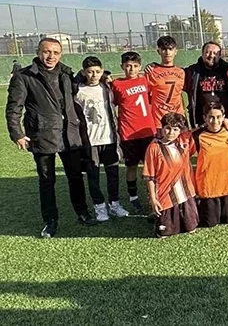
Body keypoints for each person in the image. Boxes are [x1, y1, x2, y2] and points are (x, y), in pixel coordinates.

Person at [6, 38, 97, 238]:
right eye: (47, 52)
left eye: (56, 53)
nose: (51, 56)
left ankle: (82, 211)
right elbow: (14, 109)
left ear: (61, 54)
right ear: (39, 52)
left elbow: (80, 89)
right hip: (42, 134)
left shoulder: (66, 73)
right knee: (47, 180)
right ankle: (50, 220)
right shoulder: (24, 76)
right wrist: (17, 134)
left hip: (69, 134)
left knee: (75, 176)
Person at [74, 56, 129, 221]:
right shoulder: (77, 90)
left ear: (102, 71)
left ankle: (114, 204)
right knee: (93, 177)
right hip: (90, 142)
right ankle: (99, 207)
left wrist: (106, 77)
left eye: (98, 71)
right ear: (84, 72)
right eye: (90, 72)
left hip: (110, 140)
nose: (94, 75)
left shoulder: (107, 88)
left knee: (113, 174)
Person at [111, 52, 155, 213]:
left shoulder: (145, 80)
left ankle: (153, 197)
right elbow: (112, 104)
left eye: (135, 66)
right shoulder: (116, 84)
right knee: (131, 166)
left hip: (148, 130)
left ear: (140, 67)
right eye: (128, 66)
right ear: (122, 66)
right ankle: (133, 197)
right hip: (129, 133)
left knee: (150, 167)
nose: (131, 69)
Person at [143, 113, 199, 238]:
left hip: (186, 192)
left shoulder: (184, 141)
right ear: (162, 128)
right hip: (165, 195)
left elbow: (201, 129)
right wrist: (153, 199)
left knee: (191, 228)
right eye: (167, 128)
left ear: (180, 131)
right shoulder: (153, 148)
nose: (170, 132)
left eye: (175, 129)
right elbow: (149, 177)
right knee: (164, 233)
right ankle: (157, 217)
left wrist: (225, 121)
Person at [192, 102, 228, 228]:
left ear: (223, 117)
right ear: (205, 118)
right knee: (210, 223)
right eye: (211, 117)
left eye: (218, 117)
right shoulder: (197, 136)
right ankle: (197, 204)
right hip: (208, 187)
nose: (215, 121)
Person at [184, 41, 228, 128]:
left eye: (215, 53)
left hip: (225, 120)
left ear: (220, 55)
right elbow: (173, 73)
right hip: (201, 121)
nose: (211, 55)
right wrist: (155, 67)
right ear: (202, 53)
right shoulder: (193, 71)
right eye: (208, 52)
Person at [145, 36, 185, 130]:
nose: (167, 52)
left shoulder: (181, 72)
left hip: (178, 119)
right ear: (158, 51)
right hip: (160, 121)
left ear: (176, 51)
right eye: (164, 49)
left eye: (170, 49)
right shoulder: (151, 71)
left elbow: (180, 95)